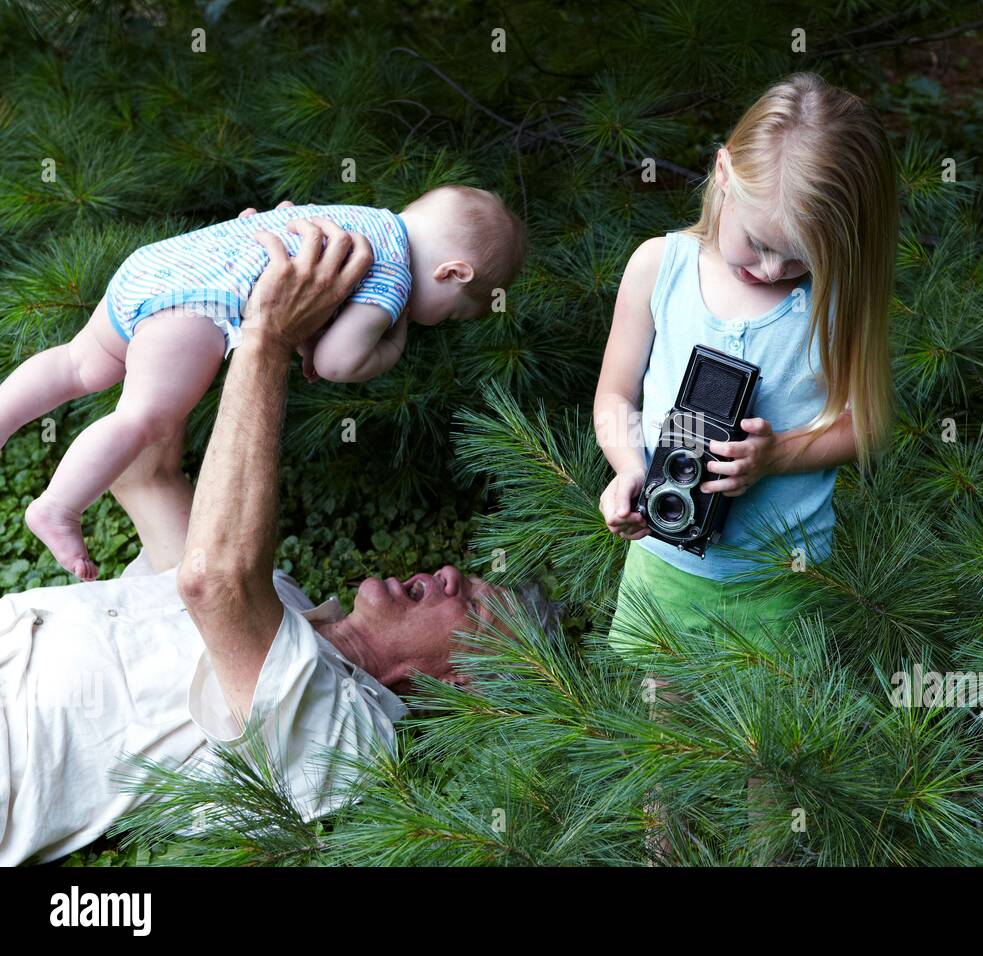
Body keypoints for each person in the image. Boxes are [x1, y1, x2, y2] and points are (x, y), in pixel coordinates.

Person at [0, 215, 514, 866]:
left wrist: (265, 338)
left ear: (464, 681)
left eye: (469, 598)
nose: (447, 572)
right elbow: (146, 475)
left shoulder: (345, 740)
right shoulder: (279, 600)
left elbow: (213, 583)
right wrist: (224, 281)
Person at [0, 185, 527, 581]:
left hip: (159, 265)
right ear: (452, 273)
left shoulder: (358, 218)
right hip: (195, 308)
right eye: (456, 315)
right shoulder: (392, 274)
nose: (445, 322)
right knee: (144, 419)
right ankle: (57, 507)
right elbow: (338, 361)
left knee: (78, 364)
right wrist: (394, 340)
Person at [594, 72, 899, 652]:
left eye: (799, 257)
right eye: (758, 242)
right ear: (724, 175)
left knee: (777, 730)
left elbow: (869, 424)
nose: (769, 269)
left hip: (781, 576)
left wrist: (776, 456)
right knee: (665, 723)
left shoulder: (834, 304)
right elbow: (615, 397)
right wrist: (631, 466)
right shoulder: (662, 269)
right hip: (663, 560)